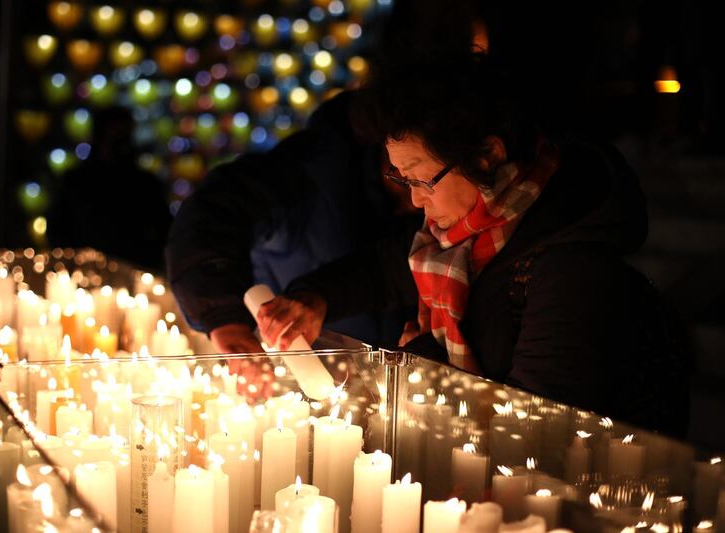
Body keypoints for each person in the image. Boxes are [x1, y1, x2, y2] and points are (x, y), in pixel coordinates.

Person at [256, 53, 689, 436]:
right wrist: (313, 298)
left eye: (423, 178)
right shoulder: (456, 236)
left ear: (486, 156)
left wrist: (423, 366)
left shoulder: (570, 268)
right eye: (403, 179)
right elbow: (383, 271)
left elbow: (539, 425)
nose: (414, 199)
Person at [165, 90, 423, 355]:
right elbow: (213, 215)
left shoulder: (437, 216)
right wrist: (225, 319)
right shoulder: (310, 174)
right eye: (408, 178)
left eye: (429, 180)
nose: (420, 199)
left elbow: (393, 271)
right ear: (384, 141)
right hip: (302, 361)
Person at [50, 107, 171, 271]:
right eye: (116, 138)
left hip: (132, 273)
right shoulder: (76, 181)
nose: (122, 146)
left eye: (125, 138)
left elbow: (163, 231)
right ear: (100, 138)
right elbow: (58, 229)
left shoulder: (145, 184)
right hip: (84, 273)